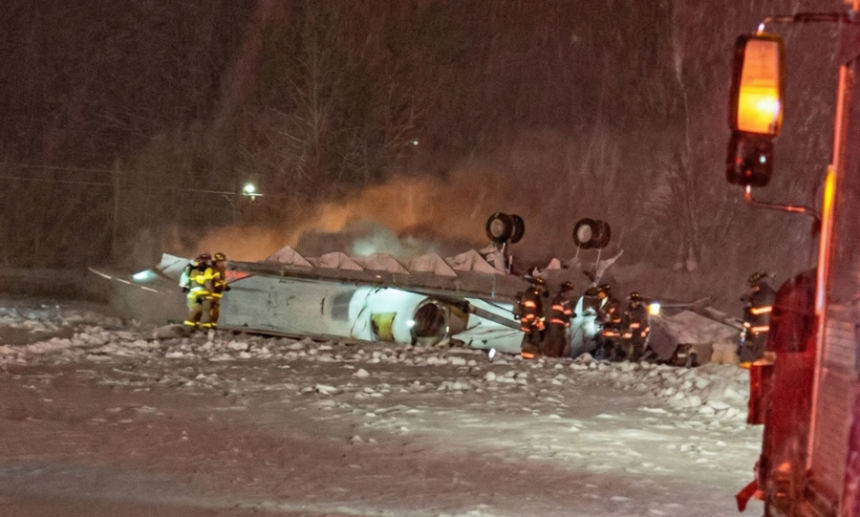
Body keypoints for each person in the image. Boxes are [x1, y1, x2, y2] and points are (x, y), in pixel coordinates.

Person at [739, 271, 776, 363]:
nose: (752, 289)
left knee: (761, 358)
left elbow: (751, 317)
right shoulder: (773, 294)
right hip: (773, 333)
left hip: (761, 333)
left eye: (752, 286)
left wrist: (745, 336)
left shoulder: (758, 297)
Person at [514, 276, 548, 359]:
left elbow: (538, 312)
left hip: (532, 322)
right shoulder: (530, 294)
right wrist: (532, 322)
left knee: (531, 339)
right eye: (541, 287)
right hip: (529, 322)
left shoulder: (535, 294)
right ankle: (528, 358)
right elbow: (530, 309)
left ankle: (531, 357)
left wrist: (541, 326)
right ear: (536, 285)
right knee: (530, 340)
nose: (542, 289)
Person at [180, 253, 213, 331]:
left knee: (195, 311)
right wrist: (211, 290)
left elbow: (184, 282)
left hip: (192, 294)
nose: (204, 262)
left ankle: (193, 328)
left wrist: (185, 287)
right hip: (202, 294)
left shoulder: (192, 269)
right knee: (203, 311)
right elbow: (207, 283)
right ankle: (195, 328)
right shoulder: (207, 270)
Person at [544, 281, 576, 358]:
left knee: (552, 339)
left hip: (553, 322)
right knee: (558, 340)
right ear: (567, 291)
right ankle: (553, 355)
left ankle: (548, 353)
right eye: (570, 291)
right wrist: (573, 315)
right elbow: (567, 313)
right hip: (559, 322)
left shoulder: (557, 298)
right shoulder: (564, 300)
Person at [595, 284, 623, 360]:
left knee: (611, 342)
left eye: (600, 292)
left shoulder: (614, 303)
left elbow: (616, 316)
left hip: (612, 326)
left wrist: (610, 320)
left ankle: (614, 356)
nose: (599, 294)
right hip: (601, 326)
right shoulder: (598, 302)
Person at [621, 292, 650, 362]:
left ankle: (636, 357)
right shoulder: (628, 309)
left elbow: (643, 323)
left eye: (636, 301)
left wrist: (641, 329)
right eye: (633, 300)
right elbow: (625, 319)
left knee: (637, 343)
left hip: (639, 331)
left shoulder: (641, 310)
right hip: (630, 330)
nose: (634, 302)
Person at [204, 252, 230, 329]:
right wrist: (210, 290)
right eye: (221, 262)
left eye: (223, 262)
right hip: (210, 294)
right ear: (217, 261)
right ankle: (206, 328)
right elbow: (207, 281)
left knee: (215, 312)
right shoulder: (210, 269)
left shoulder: (221, 270)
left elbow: (222, 280)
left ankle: (212, 326)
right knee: (209, 311)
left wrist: (225, 286)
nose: (223, 263)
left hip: (217, 294)